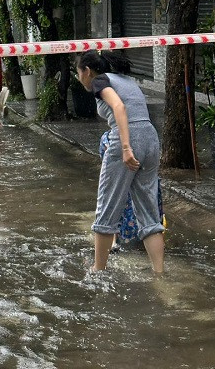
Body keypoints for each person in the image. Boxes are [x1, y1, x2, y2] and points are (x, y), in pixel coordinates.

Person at [76, 49, 165, 274]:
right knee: (149, 213)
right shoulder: (125, 80)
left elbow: (119, 108)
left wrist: (125, 147)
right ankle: (159, 273)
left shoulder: (100, 81)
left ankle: (98, 270)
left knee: (106, 208)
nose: (79, 78)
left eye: (78, 73)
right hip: (150, 138)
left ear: (87, 71)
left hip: (127, 139)